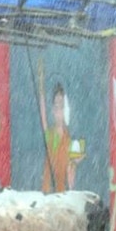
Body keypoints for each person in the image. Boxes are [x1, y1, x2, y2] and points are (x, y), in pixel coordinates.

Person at [38, 63, 81, 193]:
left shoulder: (70, 139)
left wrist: (73, 163)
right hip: (49, 191)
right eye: (56, 106)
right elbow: (43, 118)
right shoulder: (51, 135)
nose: (58, 111)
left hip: (63, 194)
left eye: (61, 106)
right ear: (52, 110)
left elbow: (73, 166)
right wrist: (40, 84)